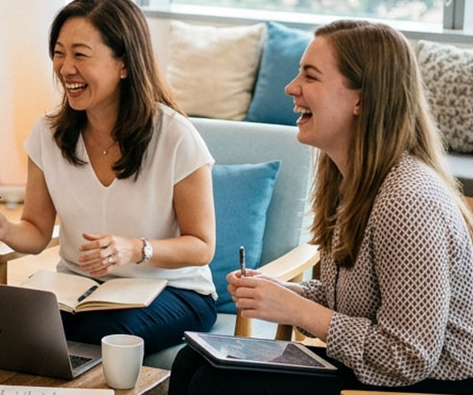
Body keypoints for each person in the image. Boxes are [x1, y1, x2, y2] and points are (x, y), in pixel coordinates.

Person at [170, 20, 473, 395]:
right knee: (193, 359)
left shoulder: (407, 201)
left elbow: (407, 356)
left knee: (216, 382)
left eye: (310, 77)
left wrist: (296, 311)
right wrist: (284, 294)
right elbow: (354, 302)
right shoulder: (349, 180)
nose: (291, 87)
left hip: (428, 385)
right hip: (371, 370)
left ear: (361, 99)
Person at [0, 0, 217, 354]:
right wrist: (4, 229)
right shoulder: (48, 133)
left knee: (105, 331)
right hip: (82, 290)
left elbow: (202, 246)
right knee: (2, 321)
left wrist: (134, 249)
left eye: (80, 54)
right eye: (59, 52)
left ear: (124, 64)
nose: (65, 68)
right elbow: (35, 232)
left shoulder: (174, 136)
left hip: (174, 291)